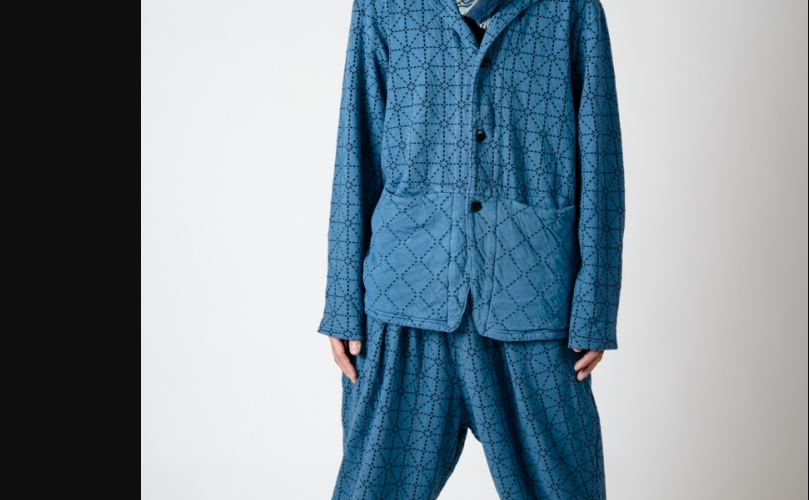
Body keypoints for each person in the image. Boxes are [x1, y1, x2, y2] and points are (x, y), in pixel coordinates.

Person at [318, 0, 625, 498]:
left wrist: (595, 308)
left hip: (534, 306)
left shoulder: (571, 9)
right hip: (403, 304)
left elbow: (601, 158)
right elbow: (358, 148)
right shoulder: (382, 7)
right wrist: (342, 302)